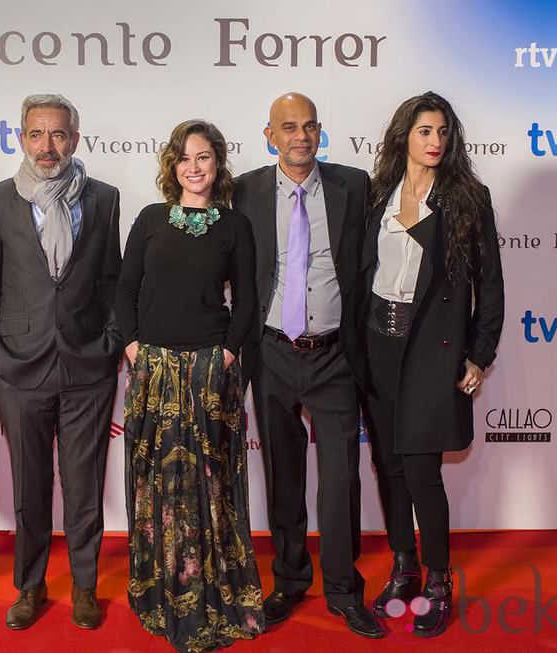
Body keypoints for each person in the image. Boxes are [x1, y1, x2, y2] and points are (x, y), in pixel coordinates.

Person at [233, 92, 384, 638]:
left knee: (341, 479)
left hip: (334, 355)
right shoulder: (244, 190)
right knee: (282, 475)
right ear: (269, 134)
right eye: (289, 127)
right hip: (270, 351)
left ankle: (343, 590)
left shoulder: (354, 185)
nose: (301, 136)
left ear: (321, 132)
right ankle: (290, 582)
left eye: (310, 126)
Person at [0, 94, 122, 631]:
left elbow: (112, 282)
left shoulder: (105, 199)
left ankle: (85, 588)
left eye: (58, 135)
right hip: (18, 371)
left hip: (88, 370)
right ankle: (30, 587)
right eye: (36, 134)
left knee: (85, 489)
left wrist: (109, 345)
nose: (47, 146)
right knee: (30, 490)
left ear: (75, 140)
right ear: (21, 139)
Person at [116, 119, 263, 652]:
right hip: (152, 369)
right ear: (171, 165)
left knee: (211, 485)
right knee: (155, 485)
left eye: (203, 157)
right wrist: (133, 347)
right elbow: (125, 288)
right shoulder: (150, 219)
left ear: (217, 164)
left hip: (208, 371)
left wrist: (225, 354)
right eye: (184, 158)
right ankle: (159, 596)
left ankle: (213, 594)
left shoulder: (234, 225)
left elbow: (247, 300)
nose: (194, 167)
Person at [362, 91, 504, 637]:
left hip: (433, 349)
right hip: (378, 343)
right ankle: (404, 568)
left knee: (421, 472)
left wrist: (480, 353)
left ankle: (439, 580)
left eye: (443, 131)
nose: (435, 142)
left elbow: (489, 286)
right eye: (425, 131)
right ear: (405, 136)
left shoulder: (468, 197)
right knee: (389, 470)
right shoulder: (377, 194)